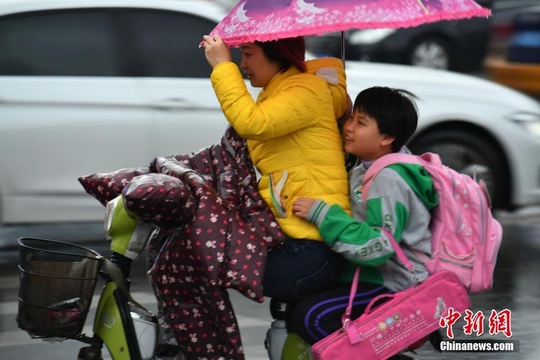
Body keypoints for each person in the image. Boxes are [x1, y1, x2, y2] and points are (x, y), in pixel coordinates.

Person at [201, 34, 351, 299]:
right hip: (296, 235)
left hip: (313, 246)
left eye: (248, 54)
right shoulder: (284, 90)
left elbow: (252, 123)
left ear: (279, 54)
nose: (243, 63)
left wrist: (223, 67)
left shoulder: (305, 91)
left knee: (212, 270)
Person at [289, 86, 439, 345]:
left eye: (360, 122)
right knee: (295, 303)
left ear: (386, 137)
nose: (349, 127)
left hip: (393, 283)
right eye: (350, 118)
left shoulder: (389, 178)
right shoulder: (365, 168)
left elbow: (379, 246)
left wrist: (323, 215)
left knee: (310, 317)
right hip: (368, 275)